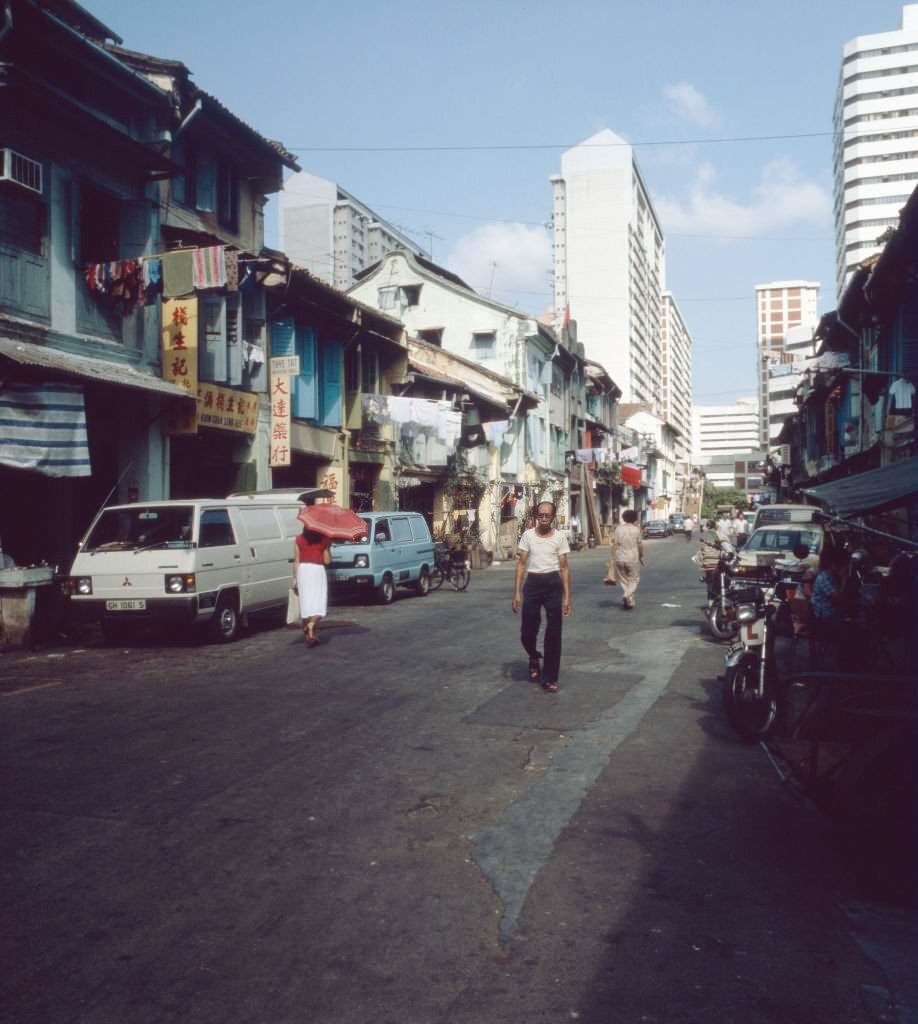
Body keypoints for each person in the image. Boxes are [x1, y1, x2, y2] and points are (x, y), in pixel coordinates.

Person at [512, 501, 572, 693]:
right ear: (536, 516)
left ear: (553, 517)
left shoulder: (560, 537)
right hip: (533, 584)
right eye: (541, 515)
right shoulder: (528, 536)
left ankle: (549, 678)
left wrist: (567, 597)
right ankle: (533, 656)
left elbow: (564, 568)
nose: (544, 518)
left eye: (547, 515)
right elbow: (521, 564)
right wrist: (517, 592)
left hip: (553, 584)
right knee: (527, 631)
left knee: (554, 632)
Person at [293, 527, 332, 647]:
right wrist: (328, 549)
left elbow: (296, 560)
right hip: (317, 570)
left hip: (303, 571)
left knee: (306, 601)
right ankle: (311, 625)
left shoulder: (298, 539)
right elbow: (327, 561)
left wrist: (294, 578)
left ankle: (310, 635)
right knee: (319, 601)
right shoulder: (324, 540)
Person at [610, 509, 645, 610]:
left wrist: (612, 558)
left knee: (624, 579)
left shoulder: (618, 529)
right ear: (635, 518)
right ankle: (627, 595)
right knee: (634, 579)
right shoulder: (636, 530)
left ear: (624, 518)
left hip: (620, 558)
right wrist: (641, 556)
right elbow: (640, 545)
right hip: (632, 558)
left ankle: (629, 600)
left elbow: (614, 544)